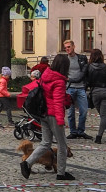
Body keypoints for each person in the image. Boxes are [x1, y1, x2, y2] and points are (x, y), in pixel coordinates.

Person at [21, 53, 75, 181]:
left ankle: (27, 163)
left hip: (43, 114)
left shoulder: (46, 75)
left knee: (45, 142)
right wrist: (60, 120)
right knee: (62, 145)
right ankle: (61, 173)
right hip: (53, 115)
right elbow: (57, 102)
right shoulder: (59, 81)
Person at [86, 48, 106, 144]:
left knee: (103, 116)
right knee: (104, 116)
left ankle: (101, 137)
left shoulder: (89, 67)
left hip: (95, 92)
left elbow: (88, 82)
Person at [62, 39, 91, 140]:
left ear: (74, 46)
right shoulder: (64, 59)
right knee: (70, 112)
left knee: (84, 110)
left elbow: (84, 73)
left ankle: (81, 131)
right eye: (65, 48)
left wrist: (71, 79)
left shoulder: (82, 58)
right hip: (69, 88)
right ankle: (73, 131)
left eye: (69, 47)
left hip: (80, 87)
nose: (67, 49)